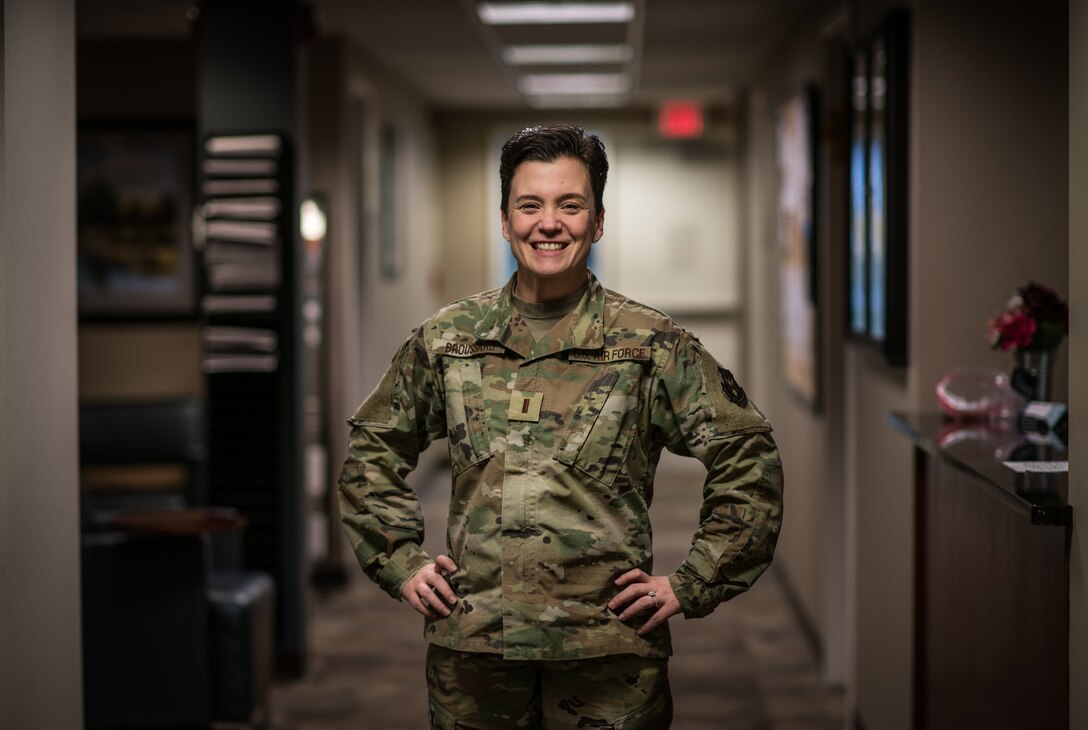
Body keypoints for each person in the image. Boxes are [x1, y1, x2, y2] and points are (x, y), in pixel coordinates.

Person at [338, 124, 784, 729]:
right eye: (530, 205)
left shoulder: (649, 344)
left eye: (570, 205)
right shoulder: (449, 339)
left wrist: (694, 580)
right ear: (505, 221)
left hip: (607, 657)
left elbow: (748, 456)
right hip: (475, 655)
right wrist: (400, 562)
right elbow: (372, 449)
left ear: (597, 222)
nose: (549, 224)